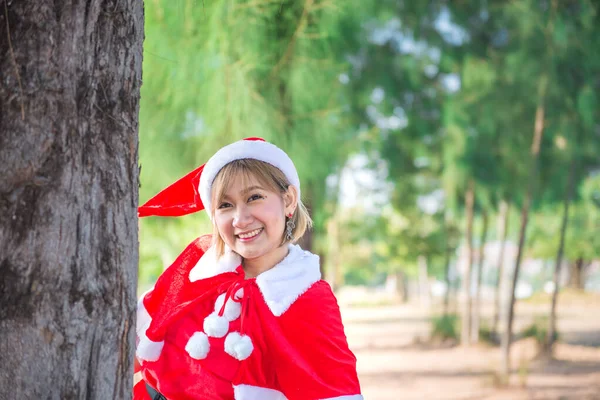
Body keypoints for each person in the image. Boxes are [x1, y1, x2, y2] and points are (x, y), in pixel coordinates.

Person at [134, 138, 362, 400]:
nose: (240, 219)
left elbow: (334, 391)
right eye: (225, 205)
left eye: (254, 197)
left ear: (288, 200)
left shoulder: (309, 298)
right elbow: (129, 349)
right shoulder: (198, 265)